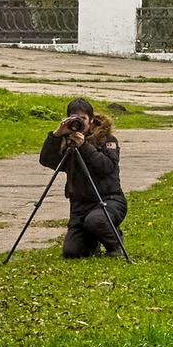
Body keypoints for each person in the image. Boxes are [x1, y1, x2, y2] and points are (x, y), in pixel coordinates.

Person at [39, 98, 128, 258]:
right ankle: (92, 241)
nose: (78, 123)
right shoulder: (67, 142)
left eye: (83, 119)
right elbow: (47, 160)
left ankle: (115, 244)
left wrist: (85, 147)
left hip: (109, 200)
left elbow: (107, 167)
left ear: (91, 119)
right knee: (72, 252)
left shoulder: (106, 140)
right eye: (74, 119)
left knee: (96, 221)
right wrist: (56, 135)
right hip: (80, 207)